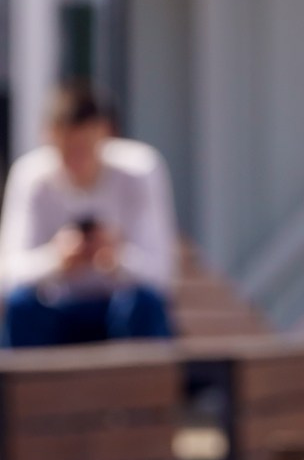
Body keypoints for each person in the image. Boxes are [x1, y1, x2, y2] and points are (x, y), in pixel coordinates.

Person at [0, 82, 177, 346]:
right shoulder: (31, 176)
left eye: (84, 147)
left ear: (106, 133)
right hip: (57, 311)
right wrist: (56, 260)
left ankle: (144, 387)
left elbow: (161, 275)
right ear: (48, 137)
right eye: (66, 150)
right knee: (21, 307)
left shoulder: (140, 170)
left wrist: (116, 259)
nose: (75, 160)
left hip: (119, 311)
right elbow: (8, 275)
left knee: (143, 304)